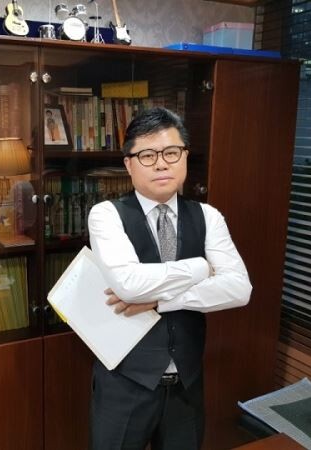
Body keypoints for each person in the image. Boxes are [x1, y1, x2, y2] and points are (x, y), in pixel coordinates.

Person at [87, 107, 252, 450]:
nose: (161, 164)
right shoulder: (107, 215)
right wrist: (201, 268)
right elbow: (129, 284)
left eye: (171, 152)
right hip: (124, 384)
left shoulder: (208, 216)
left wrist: (161, 301)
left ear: (185, 157)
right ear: (129, 164)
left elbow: (239, 288)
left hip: (187, 386)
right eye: (147, 155)